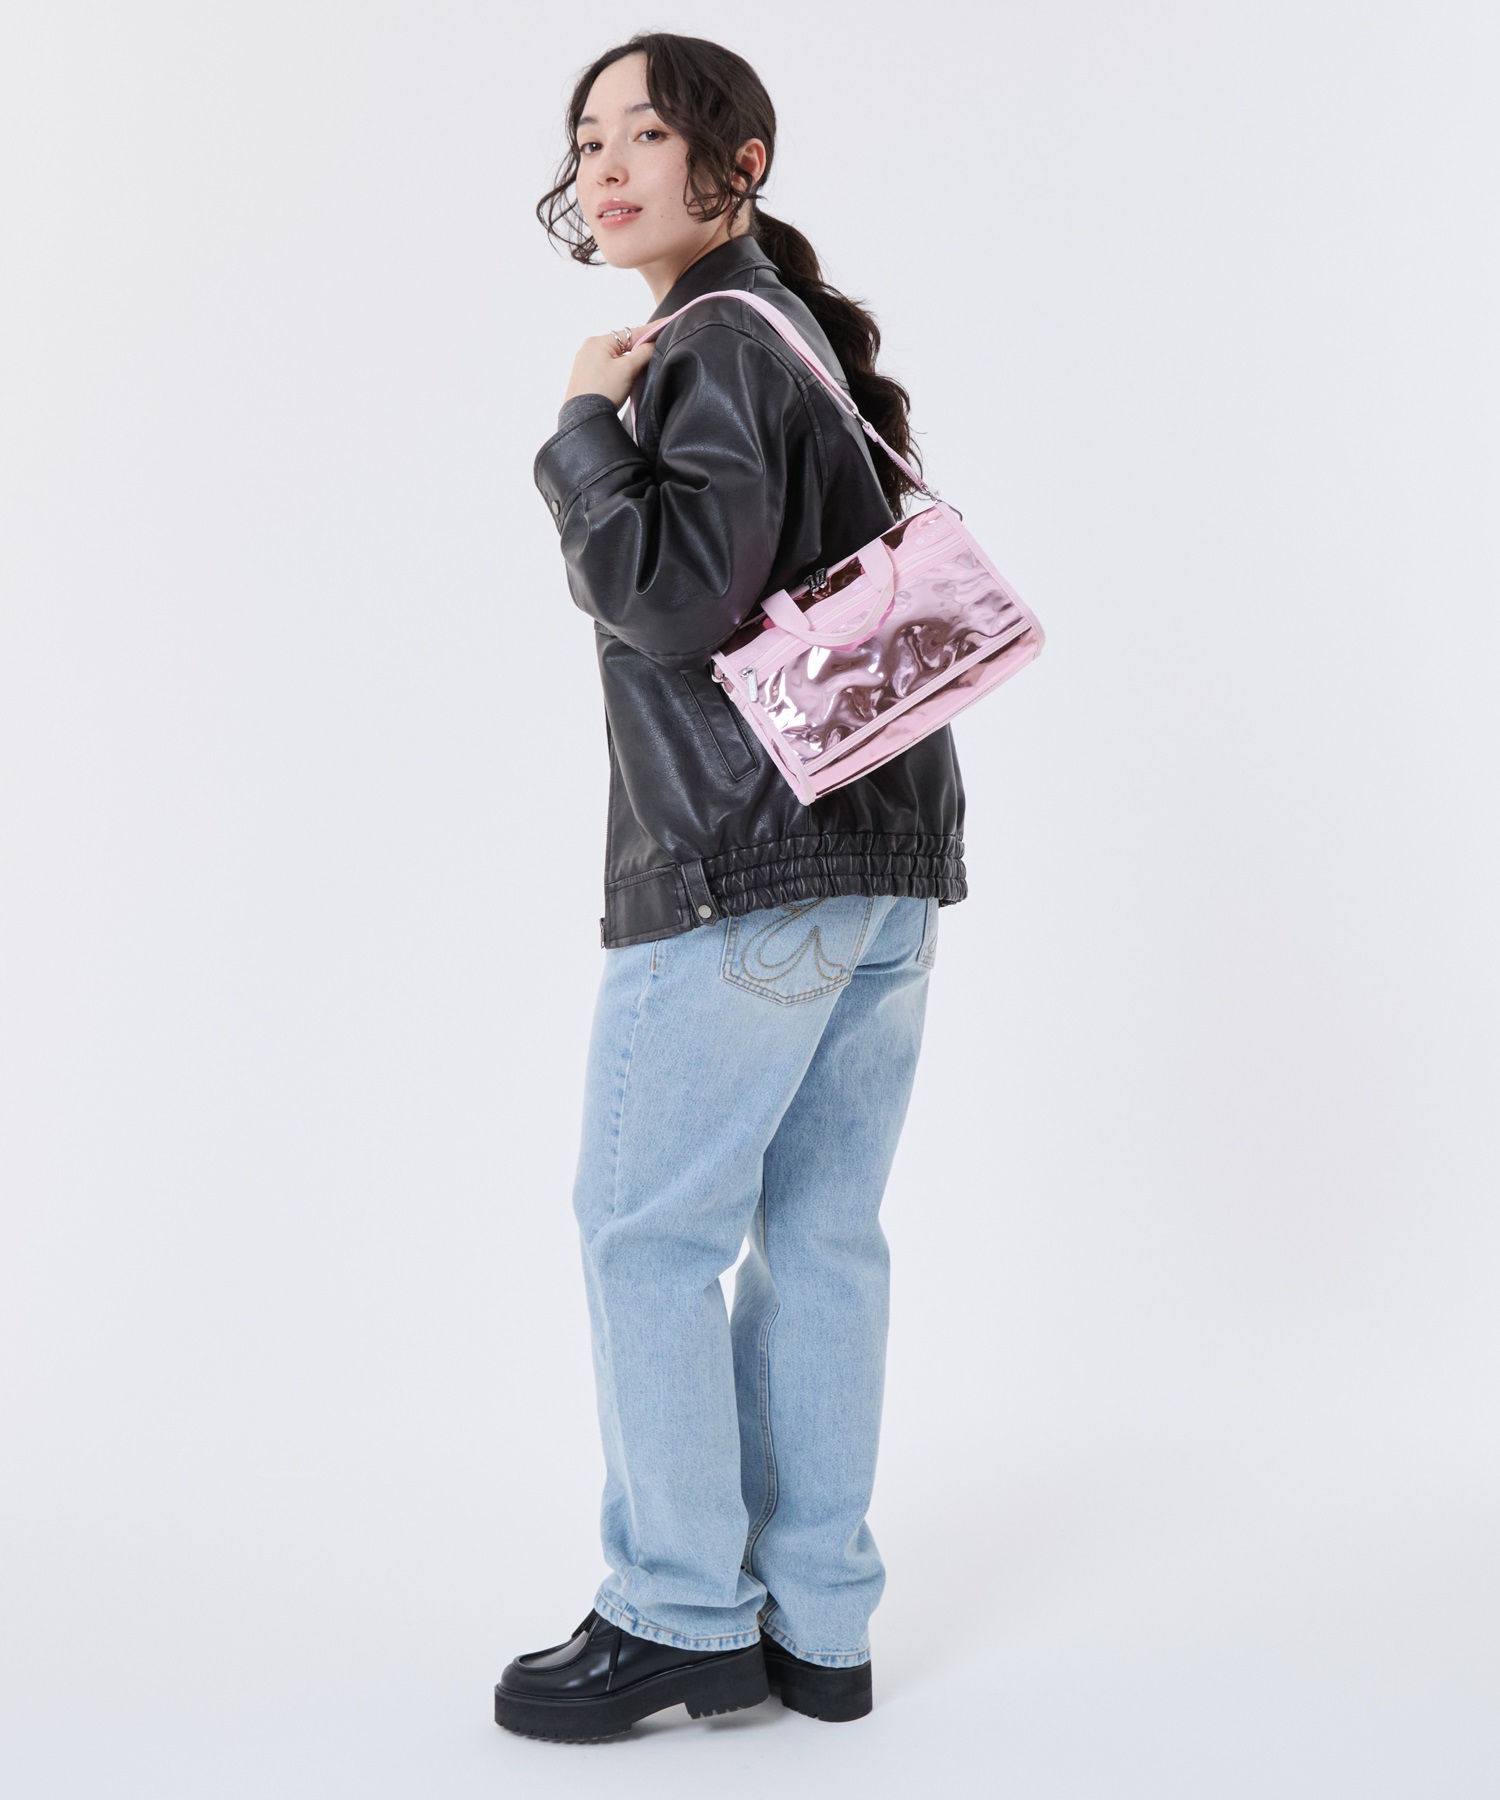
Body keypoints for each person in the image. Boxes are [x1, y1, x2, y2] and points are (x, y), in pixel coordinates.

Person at [494, 32, 966, 1743]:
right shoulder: (794, 335)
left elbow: (677, 599)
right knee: (822, 1238)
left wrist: (577, 432)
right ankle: (818, 1626)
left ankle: (679, 1612)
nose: (608, 165)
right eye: (587, 140)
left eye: (646, 132)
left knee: (647, 1236)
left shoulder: (704, 346)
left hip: (746, 875)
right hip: (881, 870)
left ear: (740, 163)